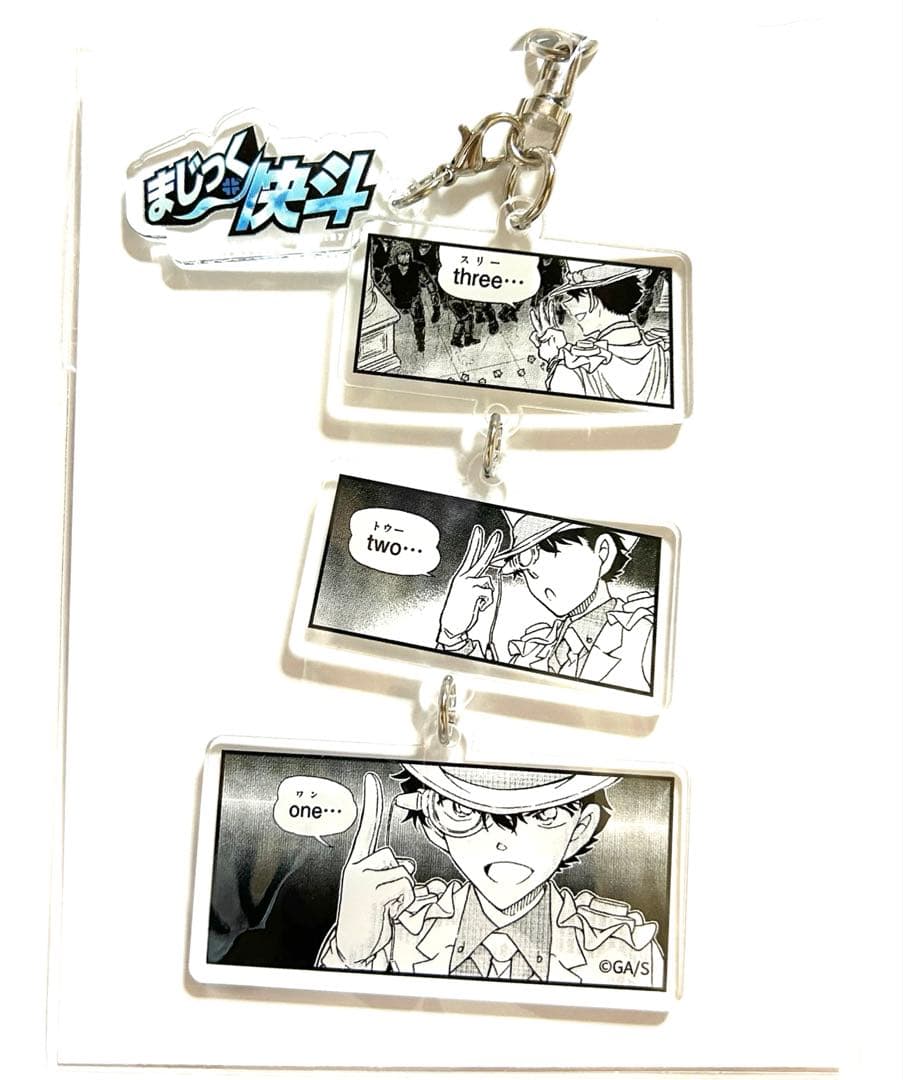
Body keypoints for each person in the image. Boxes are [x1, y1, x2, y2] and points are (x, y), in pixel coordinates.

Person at [316, 765, 663, 986]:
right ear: (433, 822)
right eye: (462, 810)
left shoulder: (627, 949)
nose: (503, 841)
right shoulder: (397, 928)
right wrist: (349, 955)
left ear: (581, 828)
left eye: (544, 814)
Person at [436, 511, 655, 692]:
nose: (535, 579)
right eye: (524, 572)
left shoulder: (644, 638)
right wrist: (453, 636)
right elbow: (488, 698)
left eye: (550, 551)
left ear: (603, 552)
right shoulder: (533, 650)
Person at [530, 261, 671, 403]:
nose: (565, 305)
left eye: (569, 296)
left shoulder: (577, 369)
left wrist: (554, 360)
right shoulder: (665, 351)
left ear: (590, 297)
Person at [374, 240, 440, 352]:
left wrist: (436, 308)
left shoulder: (417, 268)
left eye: (408, 254)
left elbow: (431, 286)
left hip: (414, 300)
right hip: (397, 300)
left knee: (419, 322)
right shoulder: (391, 271)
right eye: (403, 254)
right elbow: (382, 288)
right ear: (396, 257)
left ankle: (420, 342)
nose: (406, 257)